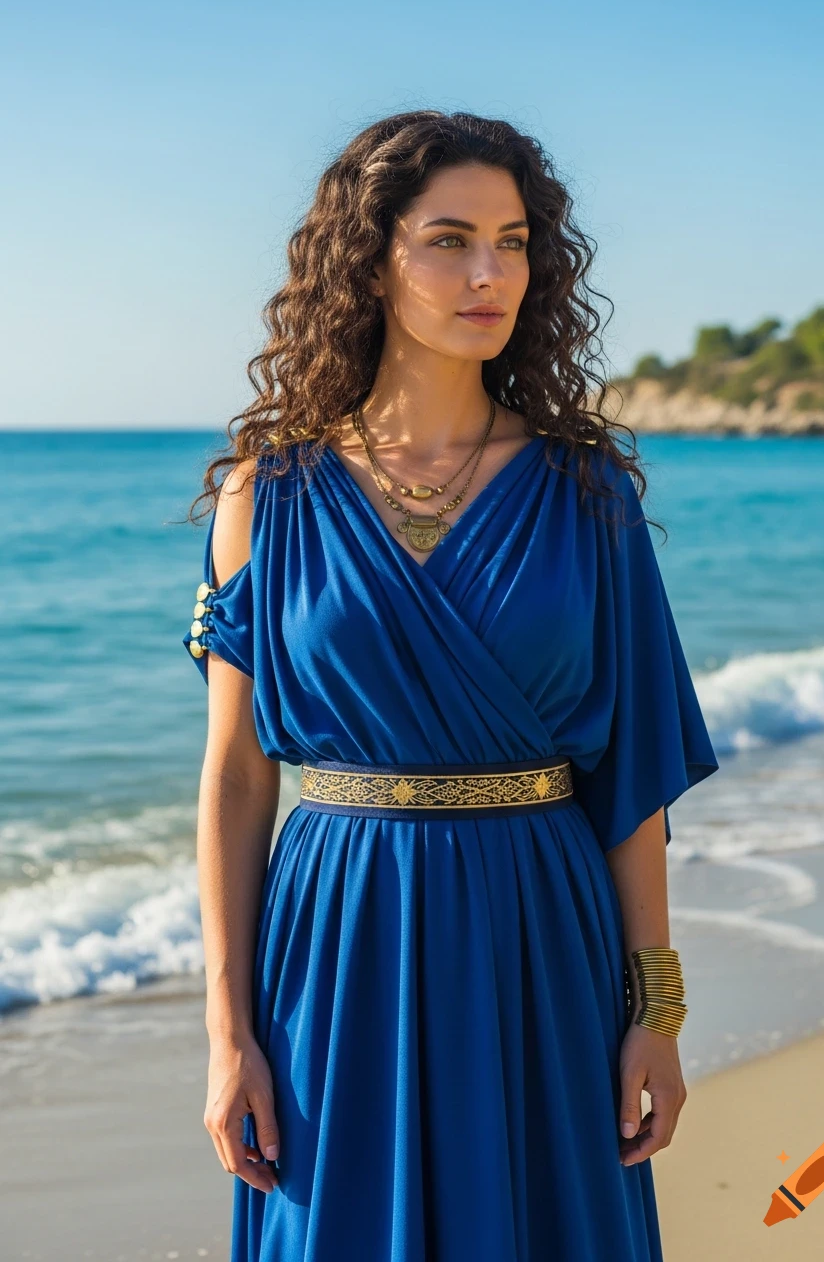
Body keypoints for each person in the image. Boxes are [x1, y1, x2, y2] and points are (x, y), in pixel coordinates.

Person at [181, 110, 719, 1261]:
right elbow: (234, 776)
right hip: (335, 939)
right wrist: (229, 1030)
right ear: (369, 261)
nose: (489, 274)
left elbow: (631, 785)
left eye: (513, 241)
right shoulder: (264, 493)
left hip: (540, 930)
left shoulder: (587, 494)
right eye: (448, 239)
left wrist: (654, 1014)